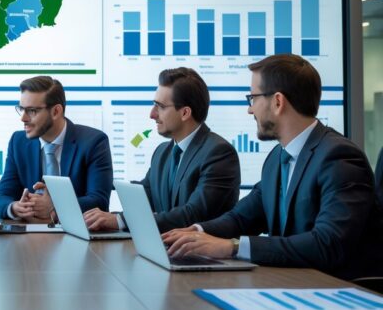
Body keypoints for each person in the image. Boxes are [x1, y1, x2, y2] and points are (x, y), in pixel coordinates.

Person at [163, 55, 383, 280]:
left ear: (278, 102)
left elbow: (328, 243)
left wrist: (232, 247)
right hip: (294, 285)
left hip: (342, 297)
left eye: (253, 98)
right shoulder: (277, 158)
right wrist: (196, 232)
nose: (250, 110)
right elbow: (242, 218)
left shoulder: (339, 158)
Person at [84, 67, 240, 233]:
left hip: (203, 256)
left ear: (185, 113)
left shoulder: (219, 153)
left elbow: (193, 215)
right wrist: (108, 217)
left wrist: (120, 220)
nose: (152, 114)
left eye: (160, 106)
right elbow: (144, 201)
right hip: (165, 251)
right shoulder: (162, 153)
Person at [0, 76, 113, 221]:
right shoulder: (18, 142)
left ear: (56, 111)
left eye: (32, 111)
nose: (23, 118)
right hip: (30, 238)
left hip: (78, 235)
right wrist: (14, 207)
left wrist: (55, 207)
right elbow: (3, 198)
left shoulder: (94, 142)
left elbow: (99, 201)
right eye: (21, 109)